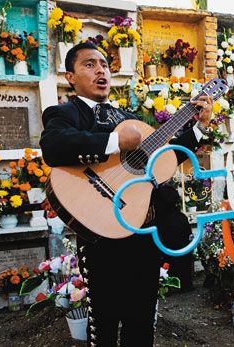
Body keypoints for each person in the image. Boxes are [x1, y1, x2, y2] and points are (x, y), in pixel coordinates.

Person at [40, 41, 213, 346]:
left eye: (104, 64)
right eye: (89, 64)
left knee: (142, 320)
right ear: (70, 76)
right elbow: (54, 146)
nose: (100, 70)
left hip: (141, 230)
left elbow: (161, 161)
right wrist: (115, 142)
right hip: (101, 234)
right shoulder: (64, 113)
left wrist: (198, 128)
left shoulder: (127, 117)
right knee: (104, 324)